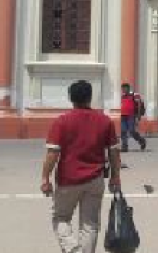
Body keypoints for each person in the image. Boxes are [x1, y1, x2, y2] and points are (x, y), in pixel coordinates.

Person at [42, 80, 121, 253]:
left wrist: (45, 178)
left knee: (61, 218)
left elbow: (52, 154)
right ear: (90, 97)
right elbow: (114, 153)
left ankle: (72, 248)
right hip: (95, 179)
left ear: (70, 98)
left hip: (68, 179)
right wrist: (116, 176)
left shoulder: (62, 122)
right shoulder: (105, 121)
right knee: (90, 224)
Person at [118, 83, 147, 152]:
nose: (123, 90)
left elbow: (139, 104)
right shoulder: (123, 96)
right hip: (123, 116)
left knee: (131, 131)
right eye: (122, 89)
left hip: (131, 116)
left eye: (124, 88)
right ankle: (124, 146)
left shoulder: (134, 95)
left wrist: (139, 115)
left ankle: (141, 140)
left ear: (128, 88)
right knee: (123, 131)